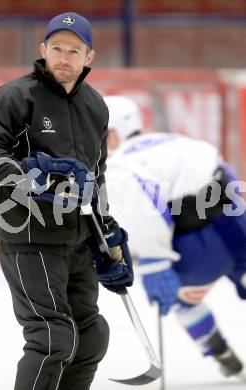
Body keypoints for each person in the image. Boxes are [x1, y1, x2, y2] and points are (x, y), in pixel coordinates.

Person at [0, 13, 133, 390]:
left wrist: (106, 234)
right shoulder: (15, 96)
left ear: (88, 57)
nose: (64, 57)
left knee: (90, 337)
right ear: (43, 49)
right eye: (57, 48)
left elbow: (97, 176)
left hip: (75, 237)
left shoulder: (95, 106)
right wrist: (31, 175)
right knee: (52, 339)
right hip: (29, 235)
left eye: (73, 50)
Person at [103, 95, 246, 378]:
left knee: (182, 299)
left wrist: (155, 263)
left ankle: (220, 352)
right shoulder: (173, 139)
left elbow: (149, 217)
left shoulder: (121, 167)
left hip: (198, 248)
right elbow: (225, 172)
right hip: (237, 222)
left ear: (113, 134)